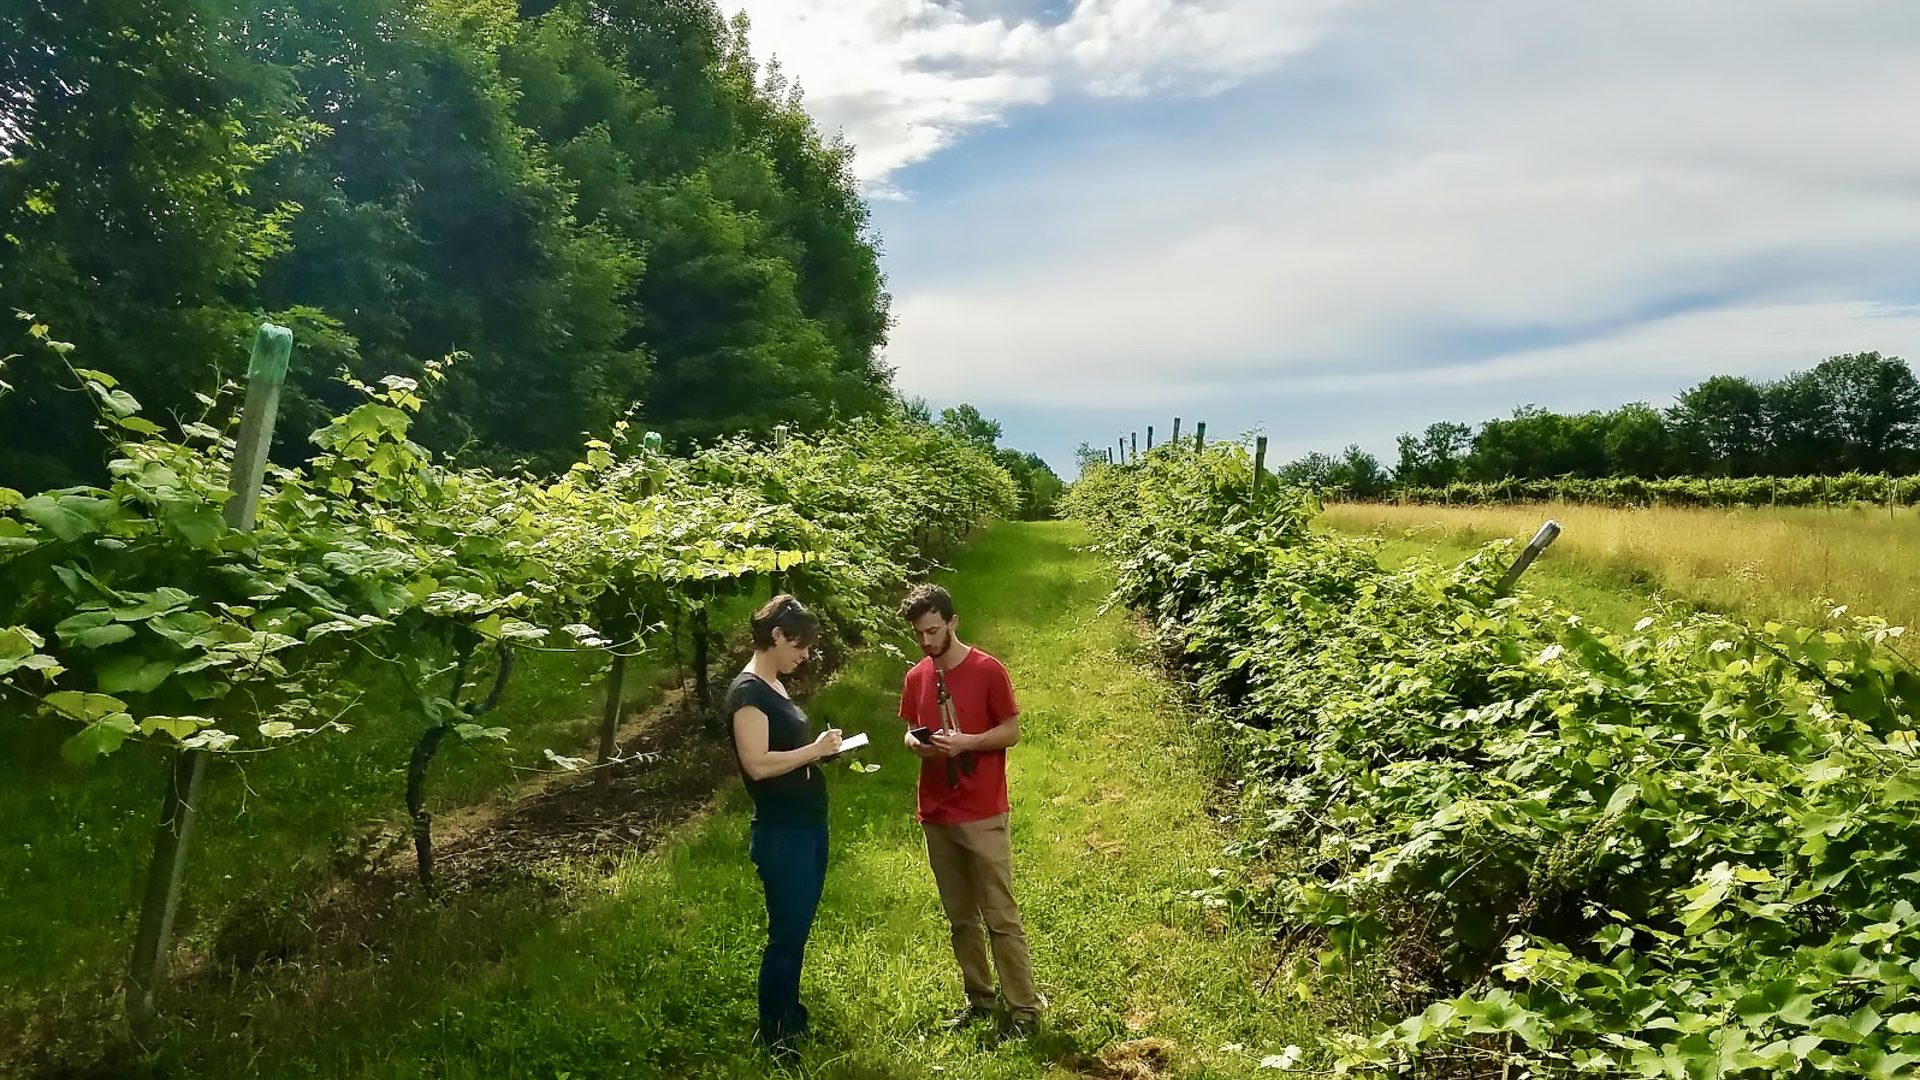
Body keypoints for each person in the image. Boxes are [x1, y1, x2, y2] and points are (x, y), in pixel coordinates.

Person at [896, 583, 1041, 1037]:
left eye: (933, 631)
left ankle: (1024, 1011)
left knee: (1000, 915)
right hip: (936, 812)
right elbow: (907, 729)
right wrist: (917, 745)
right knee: (960, 917)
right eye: (918, 634)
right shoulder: (916, 676)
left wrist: (968, 743)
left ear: (952, 622)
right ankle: (979, 999)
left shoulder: (987, 670)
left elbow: (1012, 731)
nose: (925, 642)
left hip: (980, 810)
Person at [727, 594, 842, 1061]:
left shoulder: (775, 686)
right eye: (800, 645)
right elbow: (757, 764)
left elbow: (786, 753)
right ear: (775, 635)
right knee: (786, 935)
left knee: (798, 929)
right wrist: (813, 751)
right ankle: (775, 1037)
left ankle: (789, 1014)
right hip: (782, 833)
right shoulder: (748, 693)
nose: (806, 655)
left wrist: (824, 751)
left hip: (808, 825)